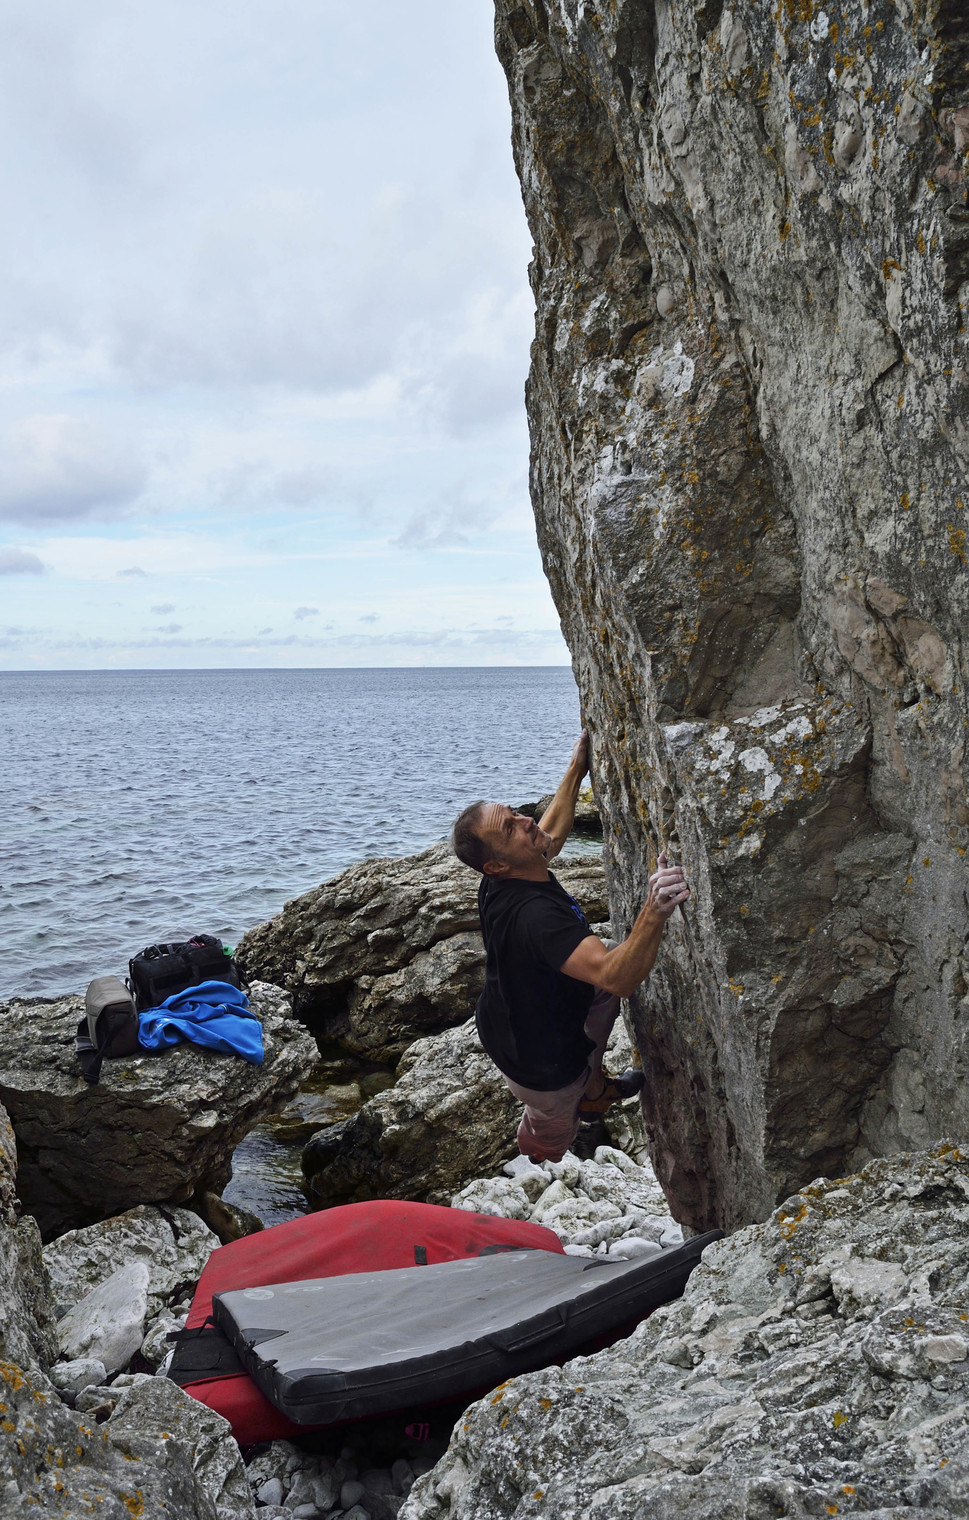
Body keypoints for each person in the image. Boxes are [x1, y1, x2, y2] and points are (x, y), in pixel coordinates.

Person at [451, 731, 690, 1163]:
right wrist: (654, 909)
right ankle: (546, 1149)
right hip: (541, 1073)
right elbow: (617, 977)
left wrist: (577, 768)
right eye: (511, 827)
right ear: (496, 864)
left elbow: (551, 834)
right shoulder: (537, 919)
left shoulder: (505, 875)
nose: (527, 821)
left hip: (510, 1020)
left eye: (515, 813)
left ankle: (594, 1088)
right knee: (551, 1132)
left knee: (602, 979)